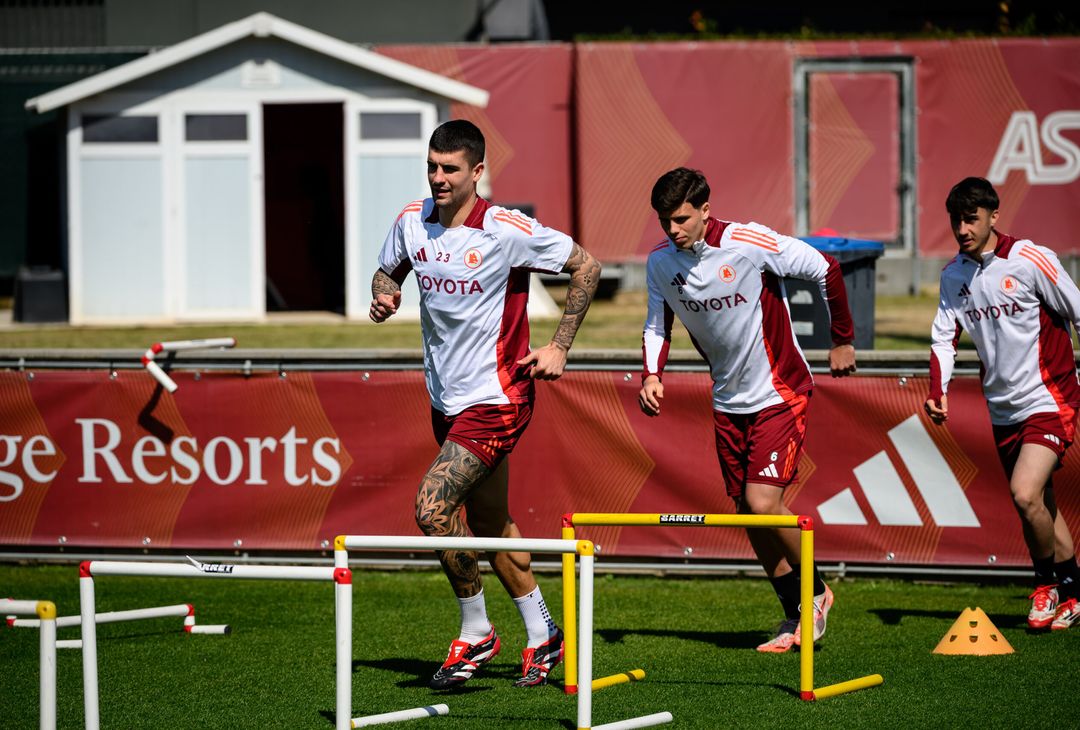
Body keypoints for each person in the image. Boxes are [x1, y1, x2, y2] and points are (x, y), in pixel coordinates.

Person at [370, 119, 601, 687]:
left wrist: (558, 346)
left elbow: (587, 267)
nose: (438, 178)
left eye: (450, 169)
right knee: (490, 521)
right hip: (445, 398)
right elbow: (386, 269)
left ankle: (476, 632)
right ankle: (545, 634)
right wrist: (383, 292)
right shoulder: (410, 220)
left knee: (432, 509)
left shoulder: (506, 229)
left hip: (498, 398)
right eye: (432, 166)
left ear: (477, 172)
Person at [638, 167, 856, 653]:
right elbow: (658, 324)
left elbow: (827, 269)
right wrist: (653, 374)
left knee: (763, 503)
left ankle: (817, 592)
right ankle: (791, 611)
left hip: (780, 392)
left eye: (681, 219)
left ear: (705, 210)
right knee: (747, 513)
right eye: (664, 222)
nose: (673, 230)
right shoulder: (659, 264)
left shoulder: (748, 241)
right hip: (727, 401)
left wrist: (842, 340)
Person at [926, 176, 1079, 631]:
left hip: (1049, 398)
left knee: (1024, 492)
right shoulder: (954, 275)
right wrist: (940, 389)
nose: (962, 228)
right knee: (1040, 505)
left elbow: (1076, 309)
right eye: (956, 220)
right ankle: (1073, 592)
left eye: (971, 219)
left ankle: (1044, 585)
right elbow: (943, 337)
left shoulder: (1031, 258)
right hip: (1002, 407)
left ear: (994, 216)